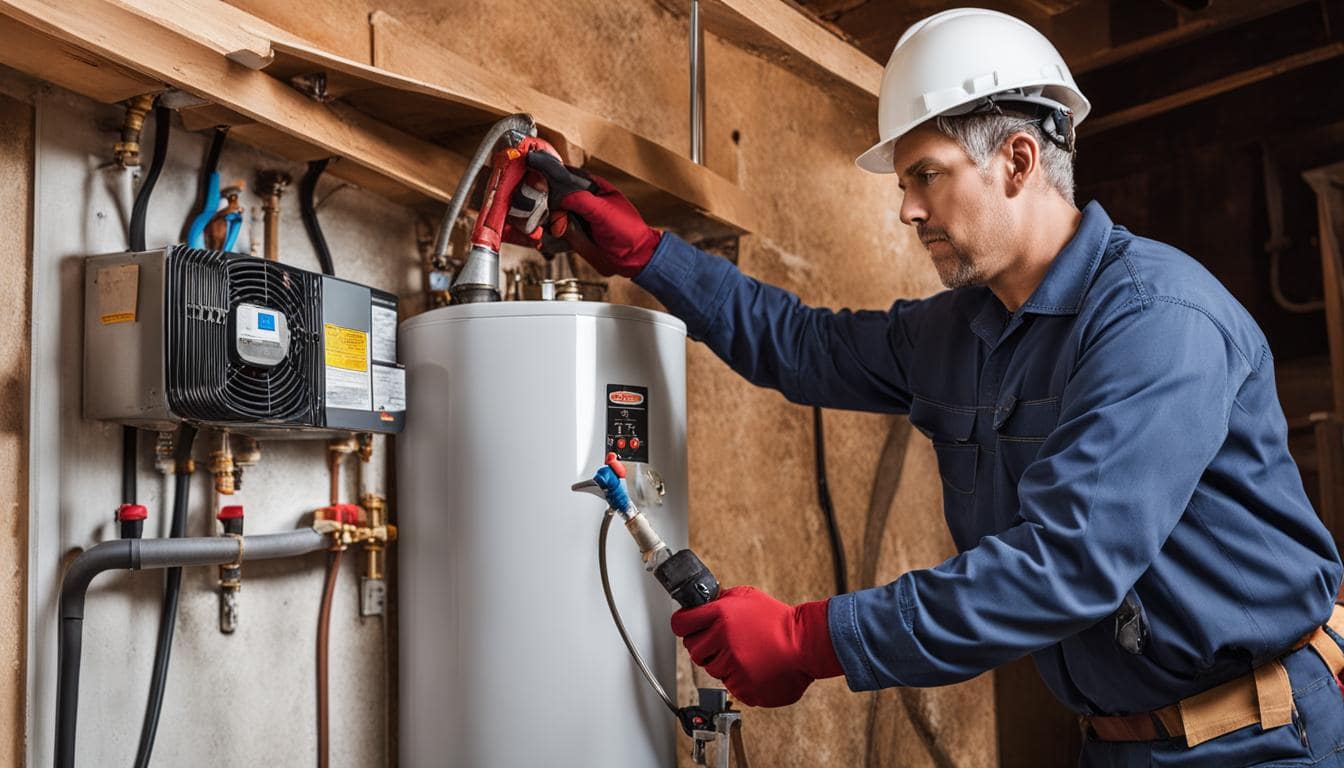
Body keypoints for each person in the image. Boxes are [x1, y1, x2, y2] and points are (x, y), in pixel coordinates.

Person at [521, 8, 1344, 765]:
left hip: (1263, 737)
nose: (907, 211)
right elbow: (801, 344)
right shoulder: (961, 331)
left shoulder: (1156, 321)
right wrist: (645, 254)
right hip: (1117, 740)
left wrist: (813, 638)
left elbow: (1067, 562)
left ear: (1018, 161)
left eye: (925, 176)